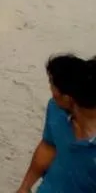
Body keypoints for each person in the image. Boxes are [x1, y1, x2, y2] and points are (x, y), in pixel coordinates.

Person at [17, 54, 96, 192]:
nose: (51, 91)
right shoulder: (56, 109)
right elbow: (49, 147)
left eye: (52, 85)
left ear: (68, 98)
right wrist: (24, 188)